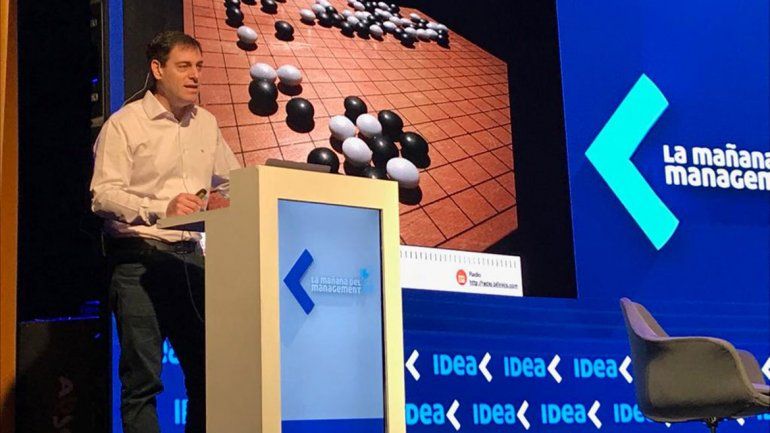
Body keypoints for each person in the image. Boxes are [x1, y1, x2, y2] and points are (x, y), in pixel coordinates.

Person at [90, 31, 241, 433]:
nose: (195, 76)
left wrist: (236, 197)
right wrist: (161, 209)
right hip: (138, 260)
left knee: (210, 373)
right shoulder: (125, 124)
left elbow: (233, 182)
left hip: (190, 260)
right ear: (157, 69)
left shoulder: (206, 123)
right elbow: (103, 196)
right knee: (143, 382)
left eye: (199, 67)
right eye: (184, 66)